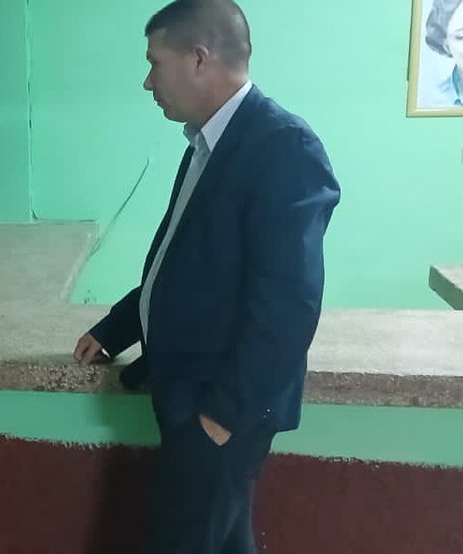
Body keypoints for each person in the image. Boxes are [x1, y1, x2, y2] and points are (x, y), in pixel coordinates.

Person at [72, 2, 341, 553]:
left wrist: (222, 415)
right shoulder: (209, 141)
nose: (148, 82)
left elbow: (289, 304)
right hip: (195, 398)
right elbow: (186, 261)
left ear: (199, 58)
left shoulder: (282, 146)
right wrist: (115, 328)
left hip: (219, 405)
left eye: (155, 63)